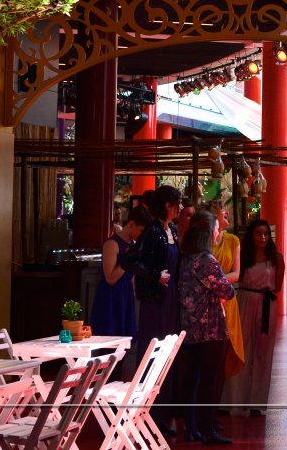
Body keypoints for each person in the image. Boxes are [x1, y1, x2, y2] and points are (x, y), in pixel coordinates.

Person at [122, 184, 183, 437]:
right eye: (178, 204)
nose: (180, 208)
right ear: (168, 206)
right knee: (153, 353)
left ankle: (164, 415)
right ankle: (148, 415)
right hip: (155, 302)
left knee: (168, 354)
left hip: (171, 299)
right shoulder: (153, 231)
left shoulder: (172, 230)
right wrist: (154, 274)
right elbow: (129, 260)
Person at [179, 211, 236, 445]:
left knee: (191, 377)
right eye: (216, 228)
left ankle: (191, 427)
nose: (218, 232)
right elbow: (227, 291)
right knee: (209, 379)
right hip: (210, 326)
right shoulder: (206, 260)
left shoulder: (185, 258)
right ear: (208, 233)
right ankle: (208, 429)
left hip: (190, 326)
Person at [222, 219, 285, 416]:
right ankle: (232, 401)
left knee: (263, 353)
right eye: (258, 233)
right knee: (240, 349)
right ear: (251, 235)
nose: (262, 237)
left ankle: (256, 403)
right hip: (245, 301)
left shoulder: (276, 258)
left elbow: (278, 286)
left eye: (265, 233)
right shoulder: (244, 255)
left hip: (266, 304)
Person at [92, 204, 151, 340]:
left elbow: (132, 275)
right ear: (131, 224)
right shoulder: (112, 244)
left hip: (126, 295)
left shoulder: (133, 245)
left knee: (125, 343)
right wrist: (127, 260)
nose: (142, 235)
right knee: (108, 342)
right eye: (141, 231)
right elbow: (110, 278)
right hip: (110, 298)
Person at [210, 204, 245, 380]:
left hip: (226, 297)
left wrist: (213, 280)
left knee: (227, 345)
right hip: (207, 298)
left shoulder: (233, 240)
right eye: (222, 210)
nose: (227, 213)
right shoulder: (204, 240)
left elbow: (236, 274)